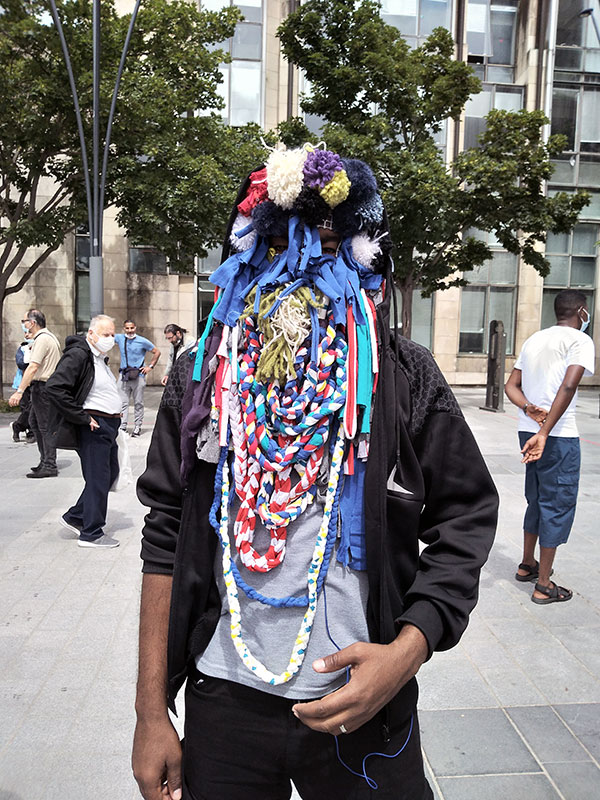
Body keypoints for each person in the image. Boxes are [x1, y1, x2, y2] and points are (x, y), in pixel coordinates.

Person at [132, 146, 498, 800]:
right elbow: (164, 536)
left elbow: (466, 518)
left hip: (363, 704)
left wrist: (404, 655)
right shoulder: (204, 377)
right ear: (244, 250)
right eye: (276, 243)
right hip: (225, 698)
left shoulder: (401, 374)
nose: (300, 268)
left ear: (365, 255)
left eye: (327, 244)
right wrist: (149, 712)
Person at [505, 289, 595, 605]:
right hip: (556, 436)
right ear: (582, 312)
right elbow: (569, 385)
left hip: (527, 430)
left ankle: (526, 564)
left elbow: (510, 386)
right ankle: (544, 584)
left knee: (537, 499)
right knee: (556, 503)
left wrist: (530, 409)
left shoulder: (534, 339)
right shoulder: (581, 341)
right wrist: (545, 432)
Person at [45, 315, 122, 548]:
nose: (110, 339)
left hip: (107, 425)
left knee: (108, 474)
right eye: (105, 334)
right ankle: (91, 533)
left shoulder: (98, 358)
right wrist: (83, 417)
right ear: (91, 334)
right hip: (94, 425)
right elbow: (55, 388)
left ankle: (77, 516)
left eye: (112, 334)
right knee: (98, 477)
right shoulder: (79, 355)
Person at [9, 309, 61, 478]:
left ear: (32, 323)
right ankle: (44, 460)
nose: (23, 325)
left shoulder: (43, 339)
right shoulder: (45, 338)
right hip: (42, 388)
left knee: (44, 426)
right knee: (34, 422)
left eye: (24, 321)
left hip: (43, 387)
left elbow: (33, 367)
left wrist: (19, 391)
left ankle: (49, 464)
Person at [114, 320, 161, 436]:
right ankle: (122, 426)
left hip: (138, 375)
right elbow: (105, 337)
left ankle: (137, 426)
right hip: (124, 375)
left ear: (135, 328)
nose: (130, 331)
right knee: (122, 402)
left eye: (132, 328)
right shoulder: (120, 338)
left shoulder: (142, 341)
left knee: (138, 402)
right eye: (127, 328)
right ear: (124, 329)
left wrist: (150, 367)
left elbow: (157, 352)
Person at [11, 327, 36, 443]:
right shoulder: (23, 348)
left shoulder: (40, 345)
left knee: (33, 408)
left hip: (36, 382)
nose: (27, 335)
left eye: (29, 332)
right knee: (26, 408)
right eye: (25, 333)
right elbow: (21, 364)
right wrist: (30, 355)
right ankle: (23, 429)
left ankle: (20, 427)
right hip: (24, 383)